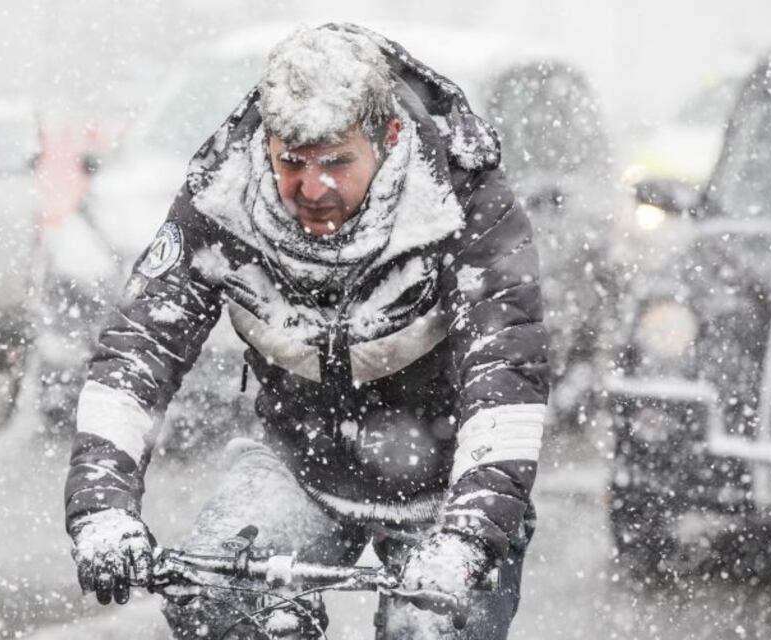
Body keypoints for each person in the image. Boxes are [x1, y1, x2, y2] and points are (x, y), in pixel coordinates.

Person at [64, 23, 549, 639]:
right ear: (265, 143)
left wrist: (471, 533)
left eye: (337, 162)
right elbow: (139, 349)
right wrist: (101, 507)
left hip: (446, 483)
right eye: (291, 161)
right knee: (215, 610)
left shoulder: (464, 197)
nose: (312, 188)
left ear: (389, 136)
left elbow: (506, 371)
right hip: (300, 466)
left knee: (433, 629)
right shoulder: (221, 196)